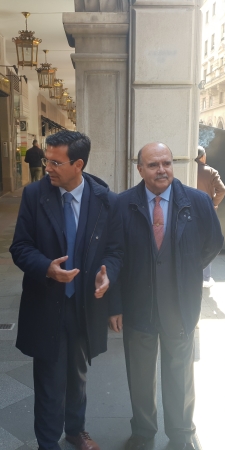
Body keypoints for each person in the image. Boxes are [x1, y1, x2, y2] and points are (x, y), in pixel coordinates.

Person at [10, 131, 123, 450]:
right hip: (46, 302)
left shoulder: (105, 200)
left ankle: (76, 429)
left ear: (78, 164)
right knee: (48, 379)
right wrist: (46, 267)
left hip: (86, 305)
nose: (48, 167)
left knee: (78, 374)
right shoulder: (34, 195)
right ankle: (48, 442)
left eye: (56, 162)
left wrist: (108, 276)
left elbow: (115, 251)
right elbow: (20, 246)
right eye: (46, 159)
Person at [112, 142, 223, 450]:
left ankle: (182, 435)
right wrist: (115, 305)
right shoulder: (122, 205)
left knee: (181, 375)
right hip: (139, 307)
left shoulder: (198, 202)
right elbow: (114, 256)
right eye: (153, 164)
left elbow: (213, 243)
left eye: (166, 163)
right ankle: (143, 433)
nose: (161, 169)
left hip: (180, 307)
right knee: (140, 376)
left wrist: (184, 269)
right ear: (140, 169)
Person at [195, 145, 225, 288]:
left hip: (188, 211)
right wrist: (213, 203)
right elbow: (222, 189)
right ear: (202, 157)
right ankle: (205, 277)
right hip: (206, 213)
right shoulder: (211, 171)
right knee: (208, 242)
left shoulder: (188, 170)